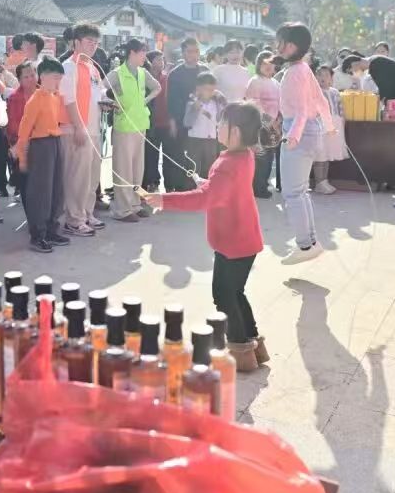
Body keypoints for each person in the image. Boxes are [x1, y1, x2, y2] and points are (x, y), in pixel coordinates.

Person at [142, 103, 267, 371]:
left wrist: (164, 200)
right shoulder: (244, 156)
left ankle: (241, 351)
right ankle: (254, 343)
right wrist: (206, 182)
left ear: (235, 132)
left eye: (222, 123)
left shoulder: (227, 163)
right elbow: (221, 190)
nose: (218, 126)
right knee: (236, 292)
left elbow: (206, 199)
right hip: (245, 239)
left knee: (223, 295)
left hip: (233, 242)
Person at [276, 23, 334, 265]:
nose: (276, 46)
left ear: (290, 46)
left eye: (279, 42)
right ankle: (310, 242)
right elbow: (321, 101)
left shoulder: (295, 72)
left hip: (298, 132)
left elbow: (301, 110)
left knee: (293, 193)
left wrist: (293, 137)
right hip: (309, 131)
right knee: (299, 192)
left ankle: (305, 244)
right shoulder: (303, 69)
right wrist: (329, 126)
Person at [14, 57, 70, 253]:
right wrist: (22, 158)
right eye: (55, 78)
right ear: (43, 76)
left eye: (60, 79)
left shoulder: (54, 97)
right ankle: (37, 235)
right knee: (40, 192)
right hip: (40, 146)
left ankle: (51, 230)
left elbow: (59, 121)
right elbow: (24, 131)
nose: (58, 83)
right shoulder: (35, 100)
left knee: (56, 189)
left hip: (55, 143)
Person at [57, 23, 106, 237]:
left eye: (96, 42)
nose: (93, 46)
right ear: (76, 42)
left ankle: (86, 213)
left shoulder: (92, 67)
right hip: (76, 129)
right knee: (76, 177)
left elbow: (99, 93)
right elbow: (68, 99)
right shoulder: (69, 66)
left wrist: (106, 102)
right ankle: (74, 219)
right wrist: (78, 126)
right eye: (89, 41)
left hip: (94, 129)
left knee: (91, 176)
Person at [105, 39, 162, 223]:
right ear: (132, 53)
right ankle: (122, 209)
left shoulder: (143, 72)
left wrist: (144, 101)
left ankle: (136, 204)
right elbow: (100, 90)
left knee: (138, 168)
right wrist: (113, 103)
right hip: (123, 127)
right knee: (123, 169)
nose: (145, 56)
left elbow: (157, 87)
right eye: (142, 52)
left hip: (140, 124)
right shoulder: (117, 74)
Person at [165, 38, 208, 192]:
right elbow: (170, 101)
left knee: (199, 156)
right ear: (183, 53)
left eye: (196, 51)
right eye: (190, 51)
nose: (194, 55)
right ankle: (180, 189)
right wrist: (172, 123)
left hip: (202, 121)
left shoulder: (205, 71)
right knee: (180, 155)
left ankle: (199, 188)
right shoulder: (175, 74)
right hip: (181, 121)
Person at [246, 52, 281, 198]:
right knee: (260, 157)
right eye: (264, 63)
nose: (268, 67)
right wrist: (268, 121)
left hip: (274, 126)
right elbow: (254, 103)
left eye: (270, 64)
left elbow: (281, 104)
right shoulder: (254, 81)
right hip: (259, 125)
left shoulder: (276, 83)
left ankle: (263, 184)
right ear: (258, 65)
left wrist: (278, 121)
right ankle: (257, 187)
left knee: (269, 157)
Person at [311, 65, 345, 195]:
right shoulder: (314, 92)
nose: (322, 78)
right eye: (319, 74)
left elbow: (340, 109)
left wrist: (342, 122)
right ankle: (319, 182)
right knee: (320, 155)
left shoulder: (335, 92)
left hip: (334, 126)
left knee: (328, 155)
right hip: (321, 127)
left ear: (331, 78)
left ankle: (324, 181)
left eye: (326, 75)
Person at [184, 73, 225, 179]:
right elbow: (187, 122)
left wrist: (222, 99)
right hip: (195, 139)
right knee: (194, 168)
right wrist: (194, 109)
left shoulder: (216, 103)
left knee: (209, 167)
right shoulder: (192, 103)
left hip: (211, 140)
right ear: (198, 88)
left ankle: (208, 187)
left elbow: (220, 118)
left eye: (213, 90)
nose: (211, 92)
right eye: (207, 89)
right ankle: (192, 187)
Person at [6, 61, 38, 199]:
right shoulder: (14, 98)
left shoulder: (46, 94)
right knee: (26, 186)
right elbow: (13, 127)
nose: (30, 79)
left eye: (33, 75)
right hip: (23, 146)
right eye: (26, 77)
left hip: (42, 145)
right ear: (19, 80)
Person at [142, 50, 171, 193]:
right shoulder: (144, 78)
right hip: (149, 122)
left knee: (167, 155)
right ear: (150, 61)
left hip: (165, 121)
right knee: (150, 155)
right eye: (158, 59)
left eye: (162, 59)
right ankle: (152, 181)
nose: (161, 62)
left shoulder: (167, 78)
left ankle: (169, 184)